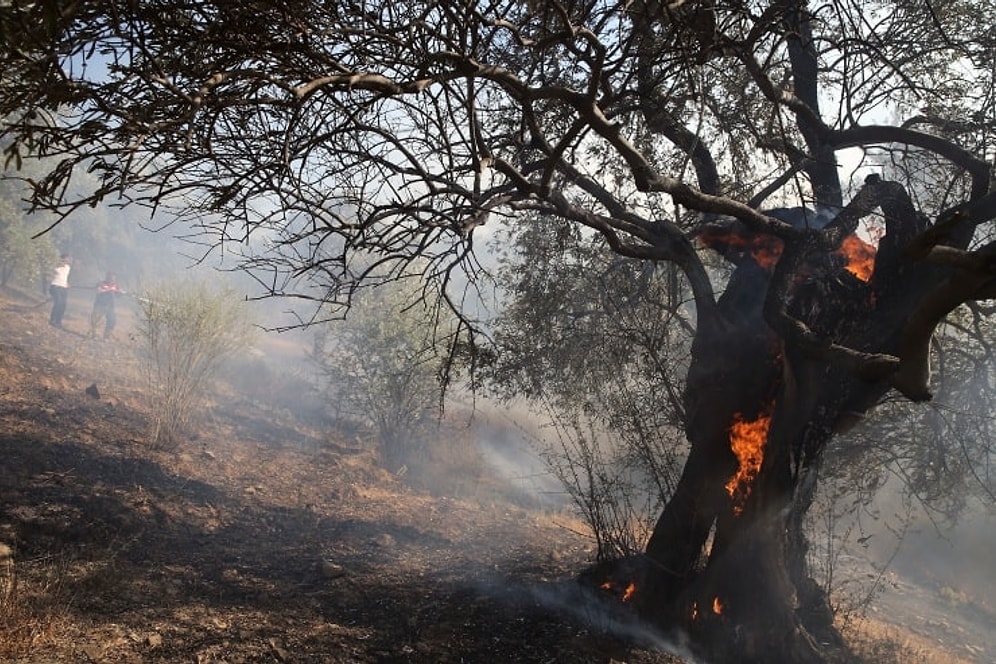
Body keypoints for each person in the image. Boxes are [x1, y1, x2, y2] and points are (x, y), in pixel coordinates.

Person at [90, 272, 123, 339]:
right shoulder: (101, 283)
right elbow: (98, 291)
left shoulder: (115, 285)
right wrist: (109, 289)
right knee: (96, 320)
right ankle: (95, 335)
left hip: (110, 306)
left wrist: (120, 292)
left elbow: (118, 295)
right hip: (99, 305)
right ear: (107, 277)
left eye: (113, 279)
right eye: (111, 278)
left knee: (112, 320)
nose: (112, 280)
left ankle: (107, 336)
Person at [48, 253, 72, 328]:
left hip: (63, 287)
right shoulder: (56, 266)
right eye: (65, 258)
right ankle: (52, 320)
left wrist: (67, 283)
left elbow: (64, 277)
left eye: (68, 258)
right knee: (58, 302)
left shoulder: (68, 268)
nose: (67, 260)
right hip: (55, 286)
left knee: (63, 305)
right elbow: (51, 272)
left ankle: (58, 321)